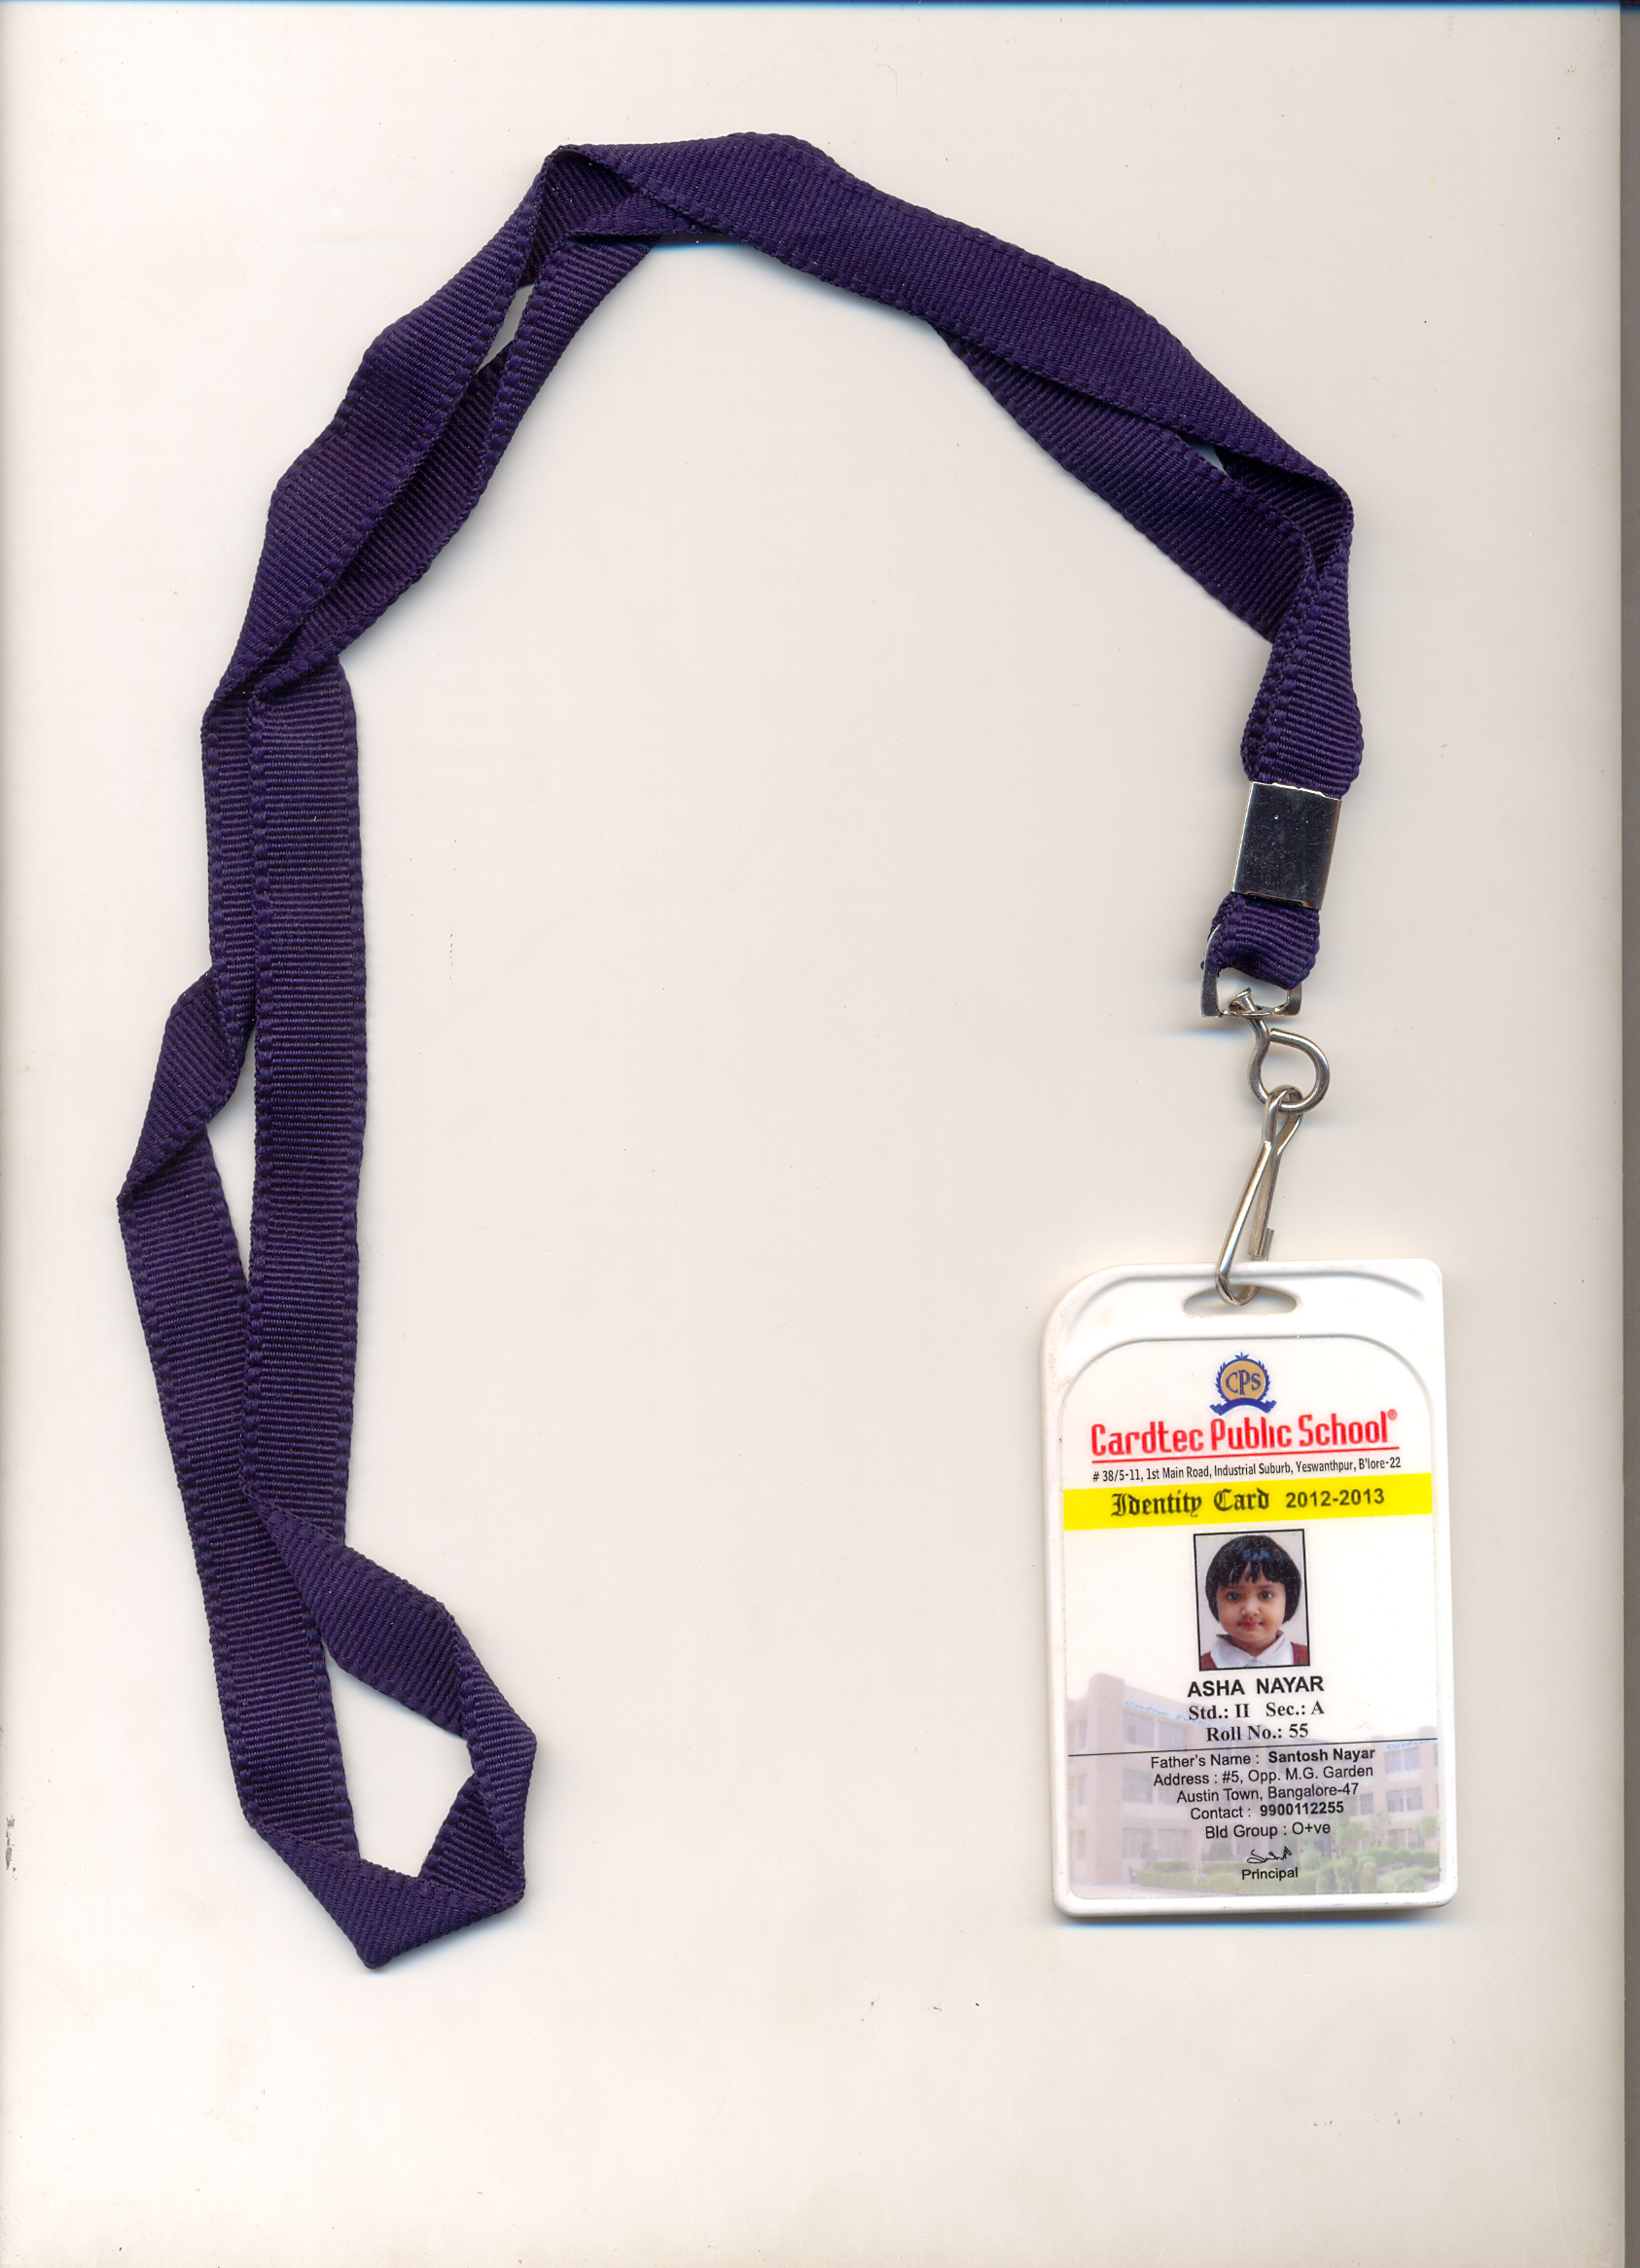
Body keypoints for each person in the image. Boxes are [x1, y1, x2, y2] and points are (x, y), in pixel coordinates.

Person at [1199, 1534, 1309, 1669]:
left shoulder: (1313, 1659)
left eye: (1265, 1595)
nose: (1250, 1610)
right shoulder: (1196, 1668)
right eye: (1233, 1596)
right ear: (1214, 1601)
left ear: (1289, 1599)